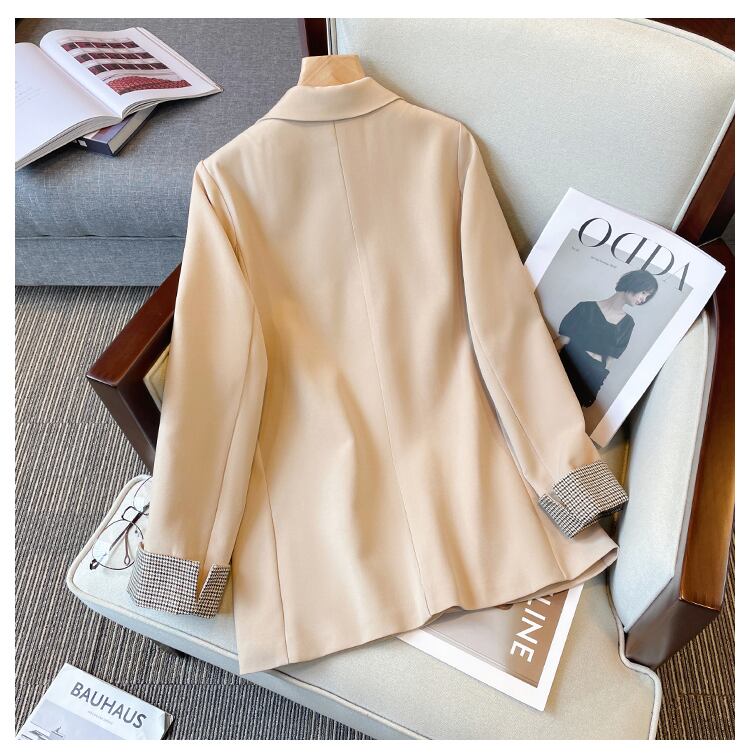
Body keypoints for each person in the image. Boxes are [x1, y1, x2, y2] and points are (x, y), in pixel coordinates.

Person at [554, 270, 658, 407]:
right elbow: (563, 340)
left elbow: (610, 360)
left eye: (647, 296)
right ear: (634, 283)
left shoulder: (628, 324)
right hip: (567, 364)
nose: (644, 299)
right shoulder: (585, 308)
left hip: (592, 375)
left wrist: (596, 384)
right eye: (644, 293)